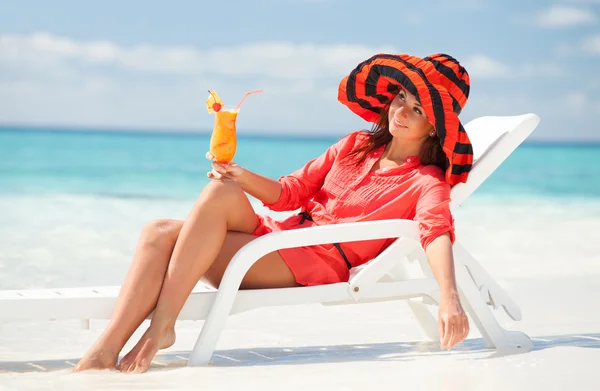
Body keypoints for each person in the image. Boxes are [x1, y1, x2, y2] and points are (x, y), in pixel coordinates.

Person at [73, 53, 474, 373]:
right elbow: (291, 193)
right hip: (280, 237)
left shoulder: (426, 182)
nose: (400, 112)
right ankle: (105, 348)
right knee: (159, 229)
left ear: (435, 127)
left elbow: (435, 231)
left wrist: (448, 296)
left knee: (203, 204)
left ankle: (162, 325)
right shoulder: (355, 145)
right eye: (401, 98)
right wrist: (240, 175)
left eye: (417, 110)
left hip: (312, 260)